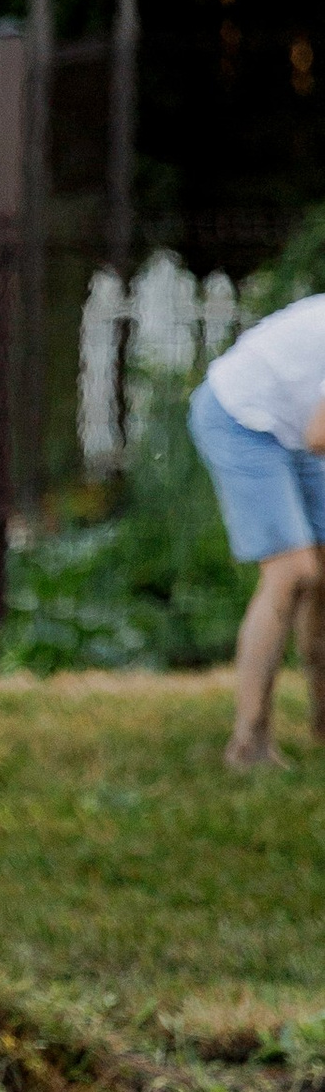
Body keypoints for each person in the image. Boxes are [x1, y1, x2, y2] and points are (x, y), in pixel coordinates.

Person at [187, 295, 325, 769]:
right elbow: (320, 436)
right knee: (293, 572)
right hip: (240, 417)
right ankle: (250, 745)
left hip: (298, 424)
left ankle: (323, 728)